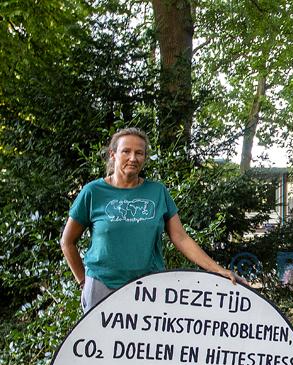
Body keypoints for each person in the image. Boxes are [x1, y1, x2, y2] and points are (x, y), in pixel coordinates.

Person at [60, 127, 242, 312]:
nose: (133, 158)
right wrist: (83, 282)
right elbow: (67, 242)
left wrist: (216, 269)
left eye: (139, 153)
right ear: (113, 154)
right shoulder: (93, 192)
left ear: (145, 158)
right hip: (102, 286)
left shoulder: (157, 192)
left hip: (149, 287)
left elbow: (181, 238)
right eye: (126, 151)